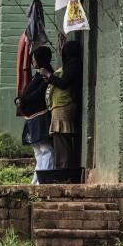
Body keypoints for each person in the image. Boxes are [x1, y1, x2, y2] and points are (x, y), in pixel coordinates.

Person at [16, 46, 54, 184]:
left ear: (40, 59)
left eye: (34, 58)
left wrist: (24, 100)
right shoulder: (37, 75)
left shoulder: (46, 75)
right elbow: (27, 91)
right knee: (38, 151)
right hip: (32, 118)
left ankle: (44, 180)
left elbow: (39, 94)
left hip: (41, 117)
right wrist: (19, 99)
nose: (32, 61)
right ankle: (37, 180)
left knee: (46, 149)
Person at [42, 40, 82, 170]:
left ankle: (63, 169)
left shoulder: (74, 64)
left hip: (63, 107)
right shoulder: (70, 65)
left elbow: (64, 83)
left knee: (61, 139)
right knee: (59, 139)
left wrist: (49, 75)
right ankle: (61, 167)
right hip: (60, 107)